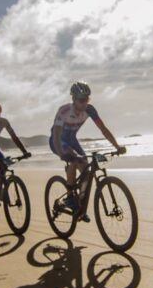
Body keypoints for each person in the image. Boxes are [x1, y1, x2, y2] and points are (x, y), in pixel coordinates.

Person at [50, 81, 125, 211]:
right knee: (74, 159)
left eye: (87, 99)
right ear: (73, 99)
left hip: (72, 140)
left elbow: (103, 129)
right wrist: (62, 154)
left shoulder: (90, 110)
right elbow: (56, 135)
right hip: (57, 142)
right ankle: (69, 197)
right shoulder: (64, 110)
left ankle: (79, 204)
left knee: (86, 170)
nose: (85, 103)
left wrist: (117, 146)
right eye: (81, 100)